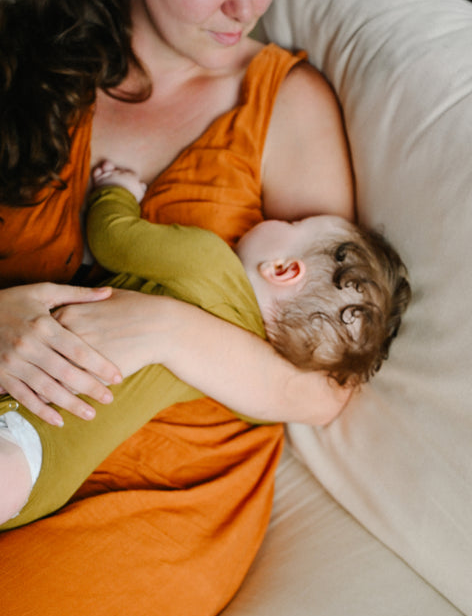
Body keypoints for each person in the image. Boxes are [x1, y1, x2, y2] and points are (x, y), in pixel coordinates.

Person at [0, 0, 355, 616]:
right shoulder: (24, 54)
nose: (245, 4)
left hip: (158, 497)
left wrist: (168, 329)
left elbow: (325, 384)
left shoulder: (284, 105)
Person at [0, 160, 410, 530]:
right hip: (44, 462)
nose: (281, 220)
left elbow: (113, 238)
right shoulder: (235, 377)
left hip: (26, 388)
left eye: (293, 223)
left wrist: (116, 191)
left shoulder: (207, 259)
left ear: (284, 269)